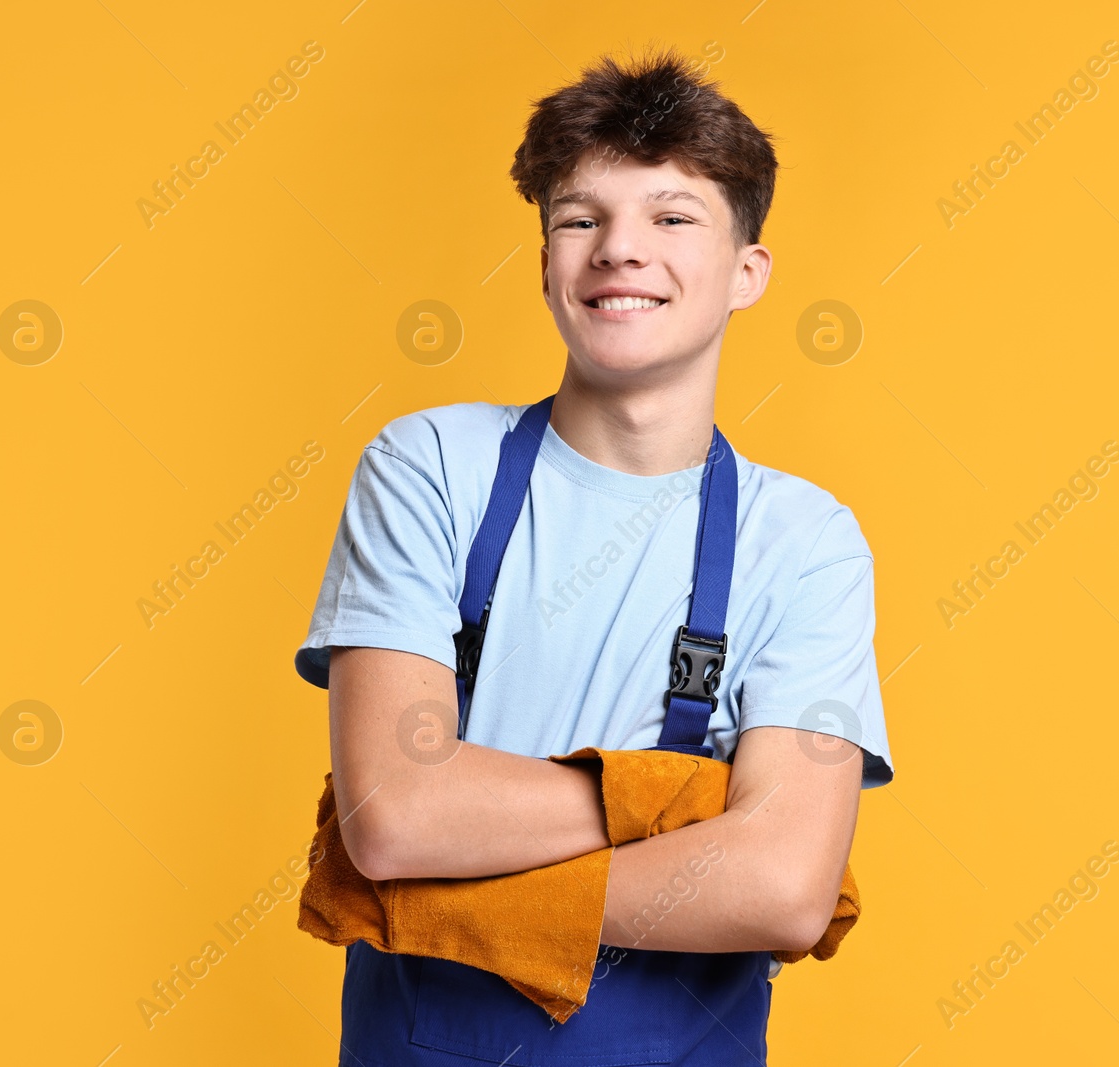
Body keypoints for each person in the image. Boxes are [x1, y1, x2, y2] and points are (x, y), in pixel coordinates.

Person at [293, 44, 893, 1066]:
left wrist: (459, 889)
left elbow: (786, 889)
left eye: (672, 216)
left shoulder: (806, 541)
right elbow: (392, 817)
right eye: (581, 217)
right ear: (545, 262)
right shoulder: (431, 465)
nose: (621, 248)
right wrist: (685, 800)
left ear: (746, 272)